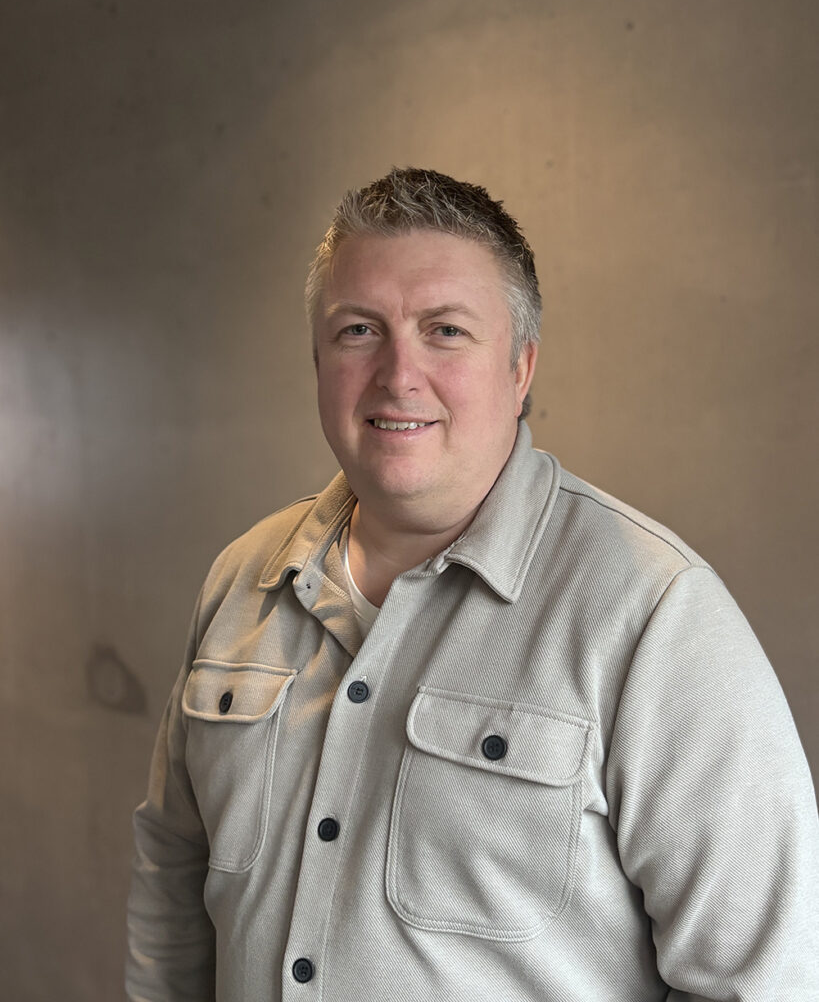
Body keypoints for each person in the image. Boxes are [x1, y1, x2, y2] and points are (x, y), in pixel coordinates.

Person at [126, 168, 819, 1001]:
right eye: (358, 330)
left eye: (445, 331)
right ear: (317, 358)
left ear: (520, 368)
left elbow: (763, 979)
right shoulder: (242, 579)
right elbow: (173, 881)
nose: (398, 375)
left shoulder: (653, 615)